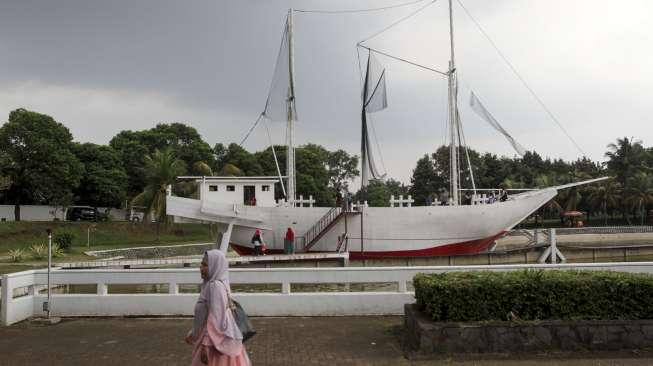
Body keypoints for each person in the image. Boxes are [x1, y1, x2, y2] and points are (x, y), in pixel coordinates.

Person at [186, 250, 251, 366]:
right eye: (201, 264)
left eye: (205, 265)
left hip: (213, 344)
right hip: (214, 339)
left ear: (216, 266)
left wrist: (205, 345)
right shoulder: (215, 284)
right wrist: (193, 333)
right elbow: (207, 316)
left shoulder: (215, 286)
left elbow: (216, 319)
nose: (201, 268)